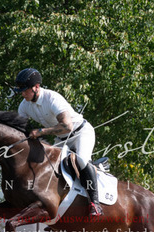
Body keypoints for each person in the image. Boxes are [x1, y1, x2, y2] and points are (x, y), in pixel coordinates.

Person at [13, 67, 103, 217]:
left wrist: (40, 132)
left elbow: (67, 126)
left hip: (80, 133)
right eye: (21, 91)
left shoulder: (52, 98)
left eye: (25, 90)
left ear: (36, 87)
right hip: (61, 139)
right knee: (48, 166)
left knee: (81, 160)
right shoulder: (24, 106)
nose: (23, 94)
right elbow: (21, 129)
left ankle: (95, 203)